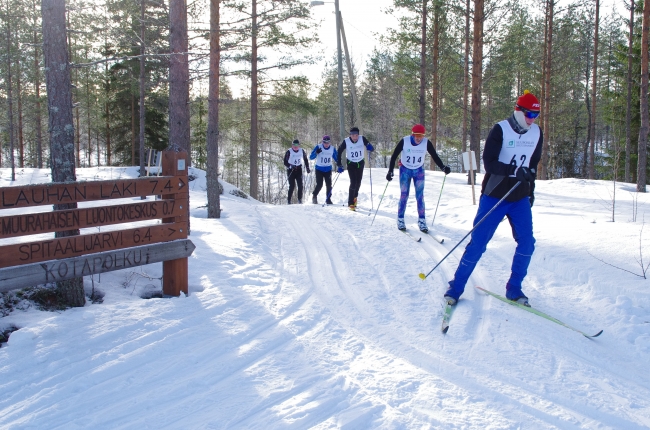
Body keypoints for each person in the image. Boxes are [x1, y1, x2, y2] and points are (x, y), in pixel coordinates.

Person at [444, 90, 543, 307]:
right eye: (529, 115)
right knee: (478, 244)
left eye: (535, 116)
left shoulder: (536, 133)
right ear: (518, 111)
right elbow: (489, 163)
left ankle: (514, 289)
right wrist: (514, 171)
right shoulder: (501, 129)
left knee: (527, 243)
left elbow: (533, 167)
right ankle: (456, 287)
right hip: (495, 195)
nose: (531, 120)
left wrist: (531, 189)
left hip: (519, 197)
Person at [386, 124, 451, 232]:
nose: (418, 138)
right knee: (404, 195)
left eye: (421, 136)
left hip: (418, 171)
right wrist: (390, 171)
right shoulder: (405, 141)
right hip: (405, 170)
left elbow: (434, 156)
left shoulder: (426, 142)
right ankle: (400, 218)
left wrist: (443, 167)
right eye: (416, 135)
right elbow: (394, 156)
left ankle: (422, 220)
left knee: (420, 196)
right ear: (413, 134)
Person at [336, 127, 374, 211]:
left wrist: (370, 147)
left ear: (358, 135)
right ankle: (350, 203)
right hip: (351, 163)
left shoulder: (362, 139)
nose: (355, 137)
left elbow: (370, 146)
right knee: (353, 182)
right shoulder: (346, 141)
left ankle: (355, 197)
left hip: (360, 163)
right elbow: (339, 151)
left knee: (358, 182)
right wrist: (339, 164)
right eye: (353, 135)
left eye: (356, 135)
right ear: (350, 135)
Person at [309, 135, 338, 204]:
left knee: (329, 185)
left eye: (328, 142)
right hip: (319, 169)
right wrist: (316, 153)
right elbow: (311, 157)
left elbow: (336, 158)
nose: (326, 144)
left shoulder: (332, 148)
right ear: (322, 142)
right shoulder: (318, 147)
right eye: (325, 142)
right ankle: (314, 196)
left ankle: (328, 199)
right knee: (319, 184)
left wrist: (340, 165)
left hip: (328, 169)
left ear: (330, 142)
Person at [283, 139, 310, 204]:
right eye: (294, 145)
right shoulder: (289, 151)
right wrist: (290, 166)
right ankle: (289, 200)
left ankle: (299, 199)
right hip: (291, 170)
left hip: (298, 169)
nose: (295, 146)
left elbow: (305, 159)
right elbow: (285, 162)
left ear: (299, 145)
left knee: (300, 185)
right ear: (292, 145)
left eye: (297, 145)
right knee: (292, 185)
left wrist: (307, 167)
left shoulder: (302, 151)